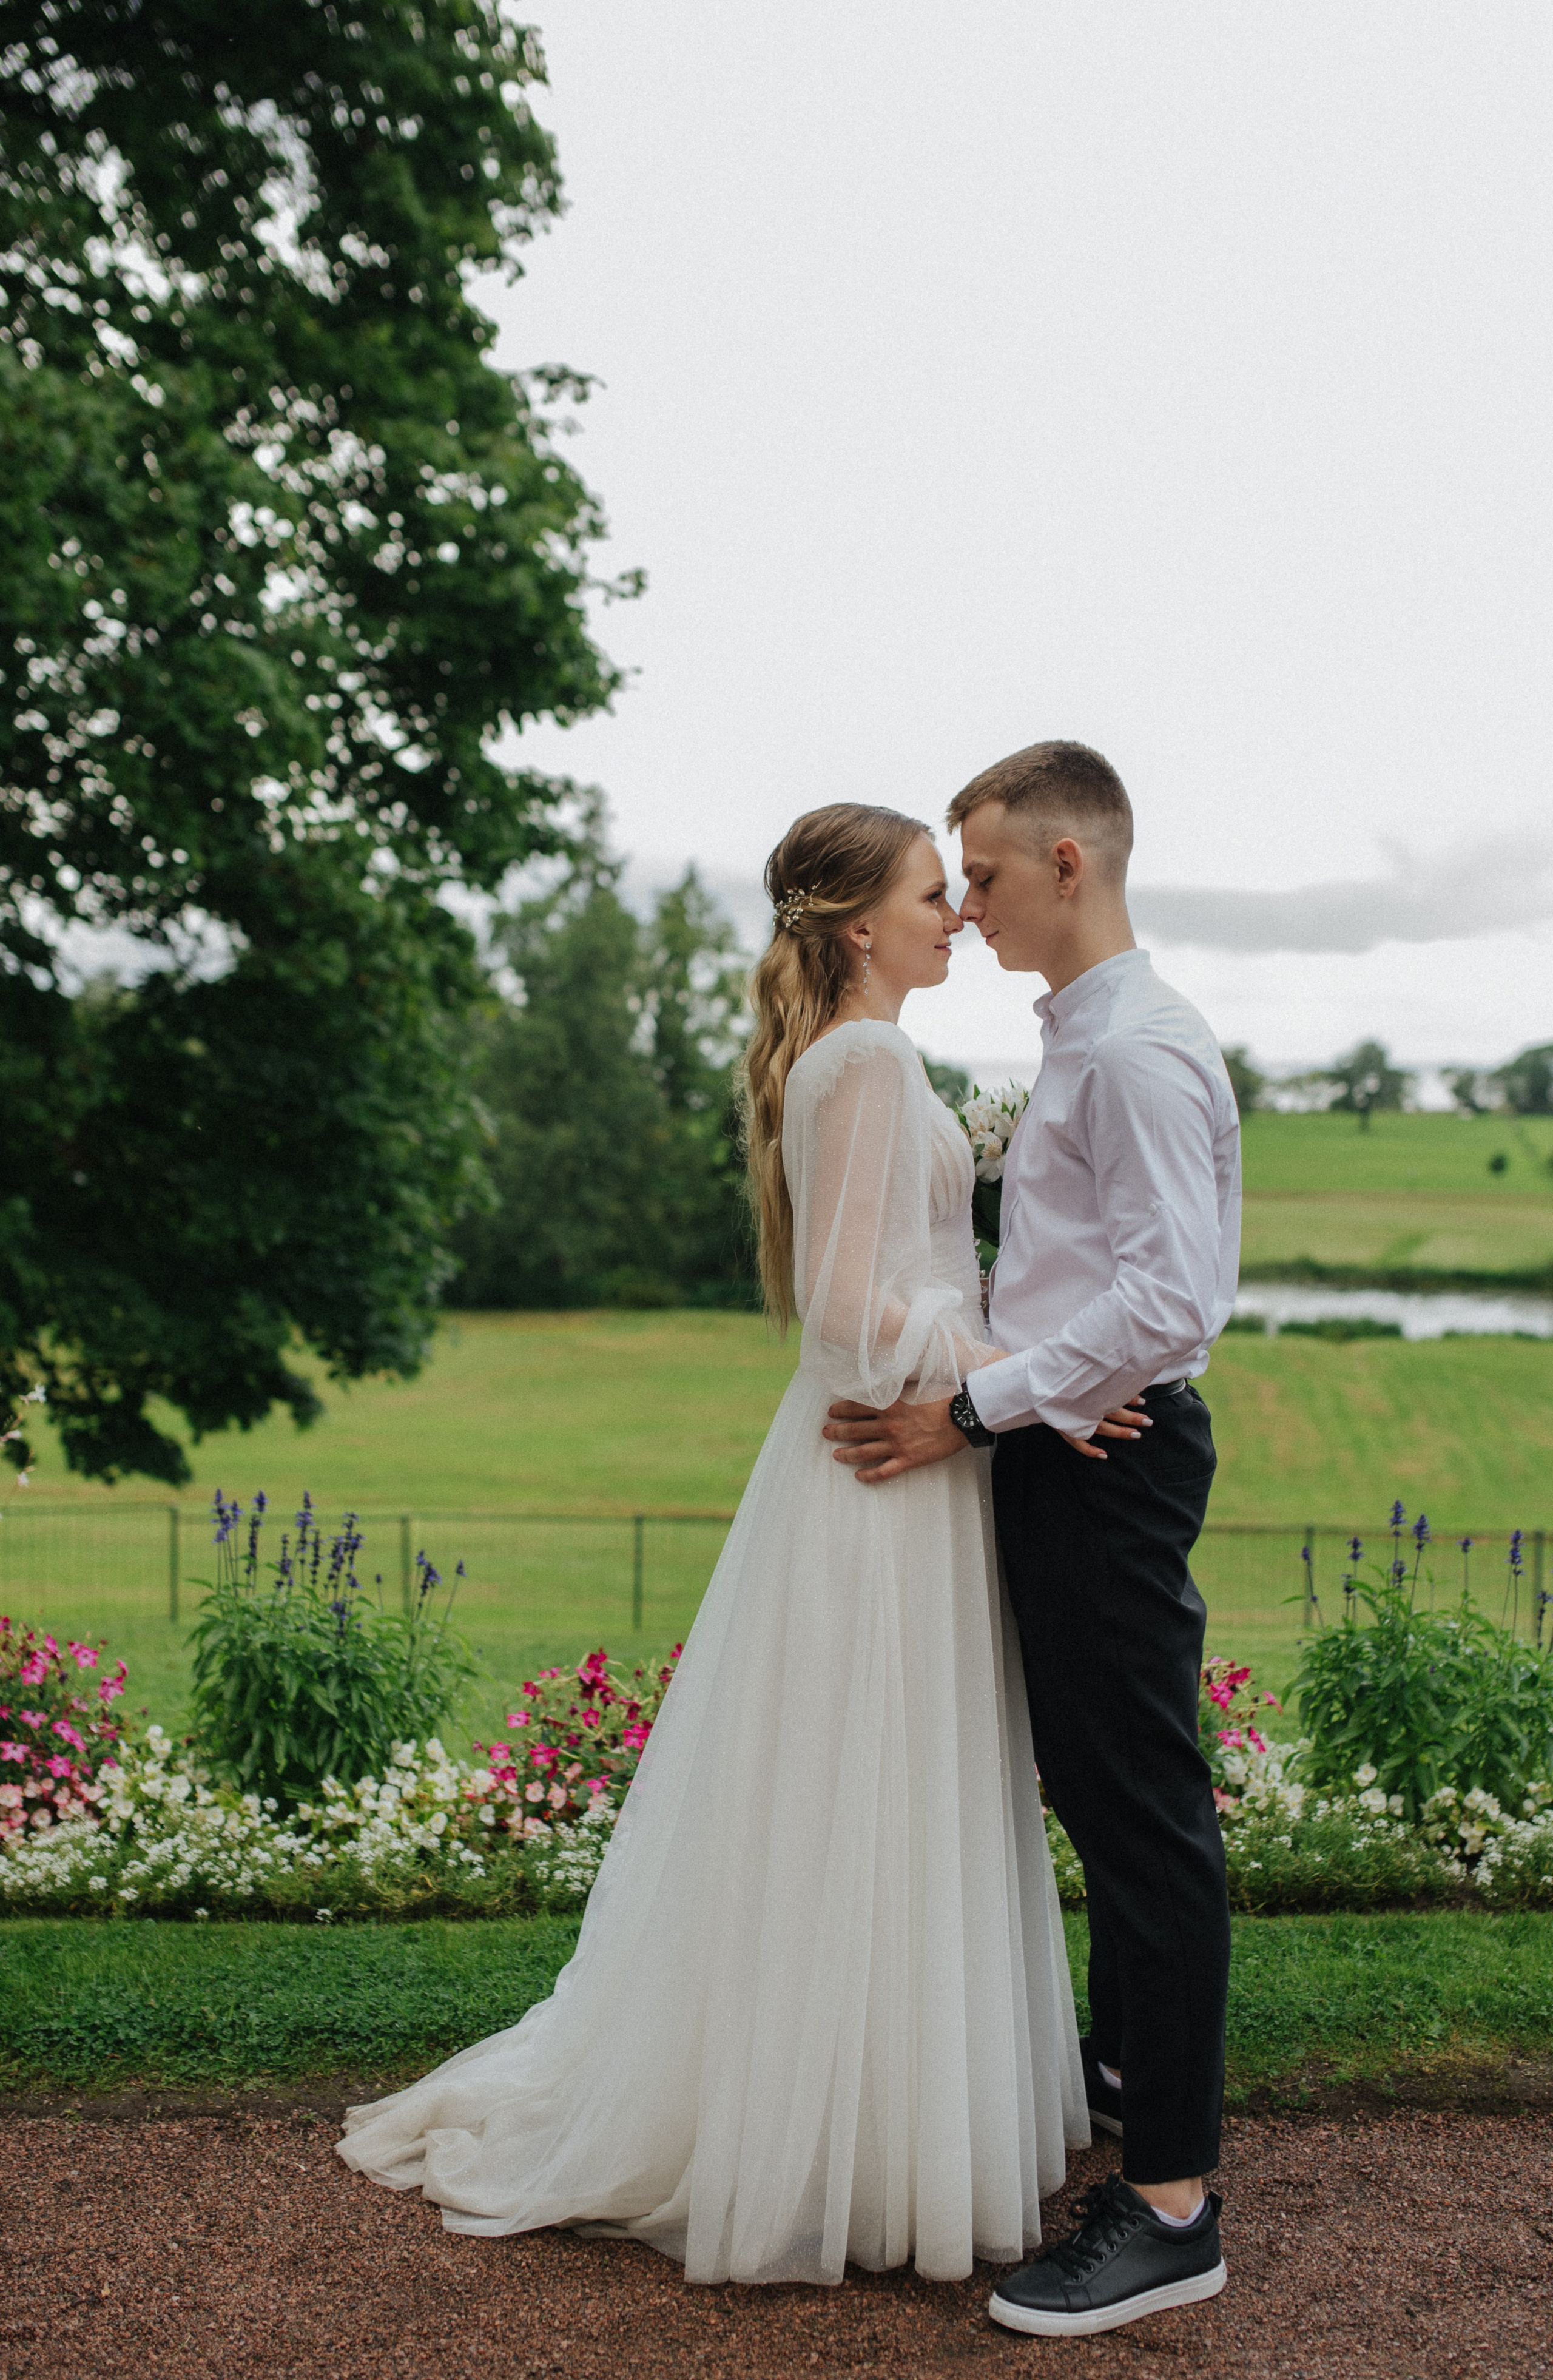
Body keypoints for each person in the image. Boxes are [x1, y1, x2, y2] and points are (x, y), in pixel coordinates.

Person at [340, 800, 1145, 2285]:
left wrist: (1016, 1372)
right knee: (861, 1784)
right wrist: (1015, 1370)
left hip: (913, 1467)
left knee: (894, 1783)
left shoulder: (861, 1059)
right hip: (879, 1477)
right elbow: (845, 1317)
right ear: (857, 930)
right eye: (927, 893)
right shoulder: (863, 1060)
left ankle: (890, 2114)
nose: (953, 913)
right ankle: (829, 2136)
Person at [824, 742, 1241, 2339]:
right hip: (1074, 1440)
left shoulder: (1133, 1049)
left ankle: (1173, 2208)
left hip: (1103, 1462)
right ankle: (1128, 2076)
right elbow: (1095, 1284)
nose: (968, 901)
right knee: (1100, 1781)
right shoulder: (1085, 1040)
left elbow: (1169, 1301)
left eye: (984, 875)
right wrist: (1025, 1395)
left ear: (1070, 863)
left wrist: (982, 1406)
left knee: (1140, 1810)